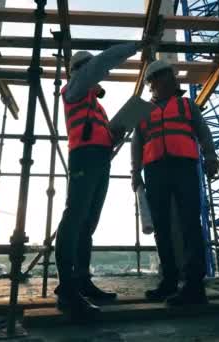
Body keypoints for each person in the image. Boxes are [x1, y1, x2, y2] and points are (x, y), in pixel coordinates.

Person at [55, 42, 145, 317]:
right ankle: (67, 287)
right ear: (80, 70)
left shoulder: (94, 104)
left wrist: (114, 134)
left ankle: (81, 280)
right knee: (75, 216)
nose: (99, 77)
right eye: (91, 69)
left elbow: (96, 132)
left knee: (88, 222)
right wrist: (139, 46)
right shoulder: (76, 88)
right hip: (84, 157)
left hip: (99, 158)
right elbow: (102, 62)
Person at [131, 59, 217, 306]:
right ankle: (168, 281)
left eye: (170, 76)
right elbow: (136, 144)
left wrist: (210, 157)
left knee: (190, 223)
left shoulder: (187, 105)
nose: (170, 80)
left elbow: (203, 132)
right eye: (164, 77)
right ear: (154, 82)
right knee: (162, 226)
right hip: (155, 170)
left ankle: (193, 286)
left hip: (184, 168)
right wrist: (135, 172)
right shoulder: (142, 110)